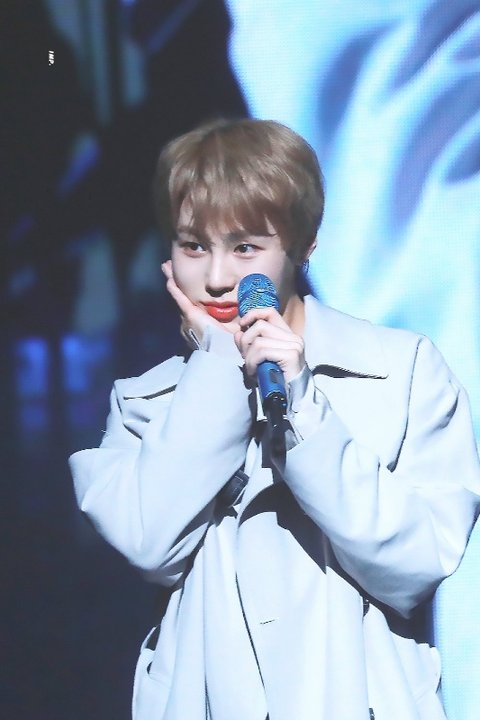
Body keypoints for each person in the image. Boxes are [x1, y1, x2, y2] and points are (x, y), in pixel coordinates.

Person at [69, 118, 480, 720]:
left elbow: (415, 563)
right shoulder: (145, 402)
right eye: (193, 246)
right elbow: (149, 545)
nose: (216, 278)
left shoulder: (401, 371)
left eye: (244, 248)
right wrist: (216, 368)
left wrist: (303, 408)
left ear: (304, 244)